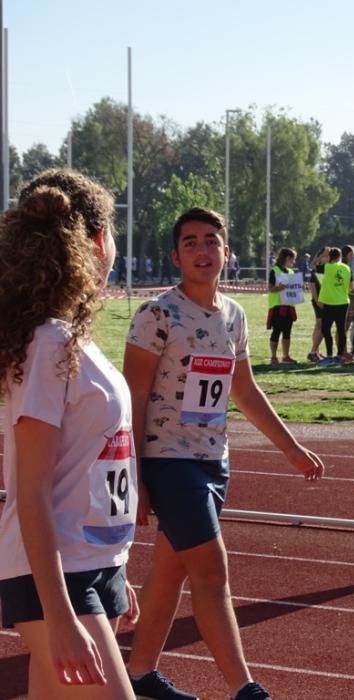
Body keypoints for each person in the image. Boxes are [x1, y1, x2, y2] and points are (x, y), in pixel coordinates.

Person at [123, 207, 326, 700]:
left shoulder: (234, 315)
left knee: (171, 569)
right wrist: (136, 474)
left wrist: (291, 448)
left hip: (214, 460)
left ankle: (138, 674)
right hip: (167, 460)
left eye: (211, 240)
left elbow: (245, 390)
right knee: (212, 571)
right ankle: (244, 689)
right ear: (176, 255)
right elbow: (135, 395)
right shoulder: (156, 314)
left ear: (227, 252)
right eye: (190, 241)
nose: (202, 249)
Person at [0, 168, 138, 699]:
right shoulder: (48, 345)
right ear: (100, 241)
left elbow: (91, 469)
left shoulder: (72, 341)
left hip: (88, 566)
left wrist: (113, 568)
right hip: (55, 578)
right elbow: (29, 490)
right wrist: (60, 616)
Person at [318, 247, 352, 363]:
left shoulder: (326, 267)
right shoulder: (347, 268)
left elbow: (313, 267)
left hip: (329, 302)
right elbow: (351, 285)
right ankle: (339, 355)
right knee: (341, 329)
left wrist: (322, 257)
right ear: (341, 256)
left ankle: (329, 354)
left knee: (326, 329)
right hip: (343, 301)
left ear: (329, 257)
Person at [267, 247, 299, 365]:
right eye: (293, 259)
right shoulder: (274, 270)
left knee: (287, 332)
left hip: (289, 306)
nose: (294, 262)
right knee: (276, 331)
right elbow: (270, 288)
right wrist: (279, 288)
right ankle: (273, 357)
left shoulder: (291, 272)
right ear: (287, 258)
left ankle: (286, 356)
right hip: (277, 306)